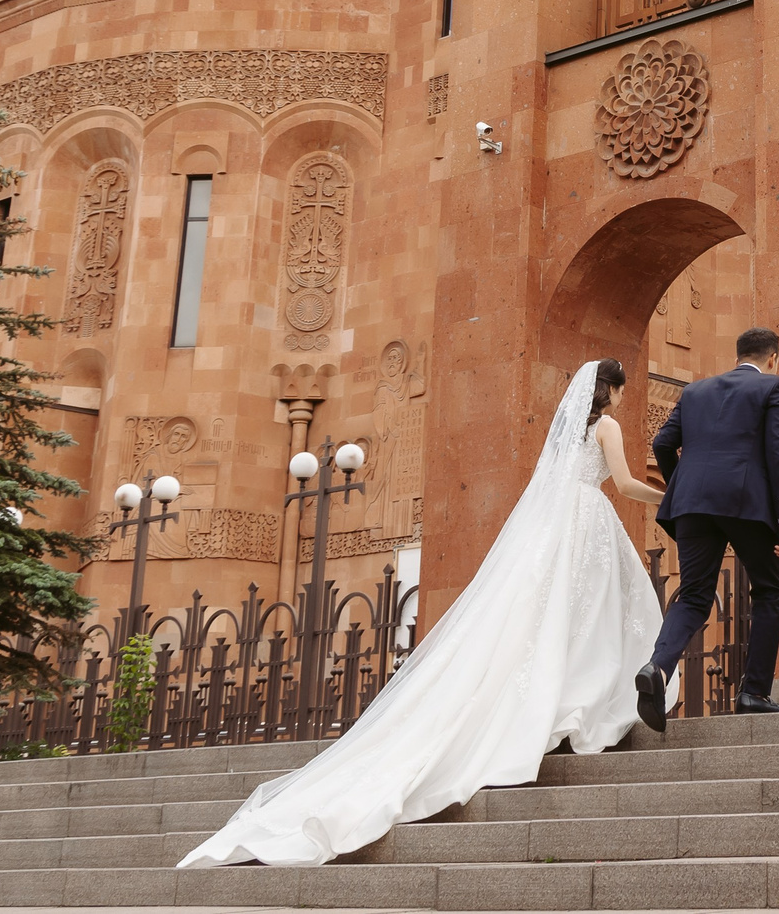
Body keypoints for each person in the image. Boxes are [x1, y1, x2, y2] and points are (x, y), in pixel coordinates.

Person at [179, 358, 661, 867]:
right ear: (612, 390)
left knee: (553, 614)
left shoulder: (567, 430)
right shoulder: (608, 427)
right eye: (621, 390)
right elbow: (626, 483)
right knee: (586, 613)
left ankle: (562, 699)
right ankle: (576, 700)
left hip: (555, 526)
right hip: (587, 521)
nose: (622, 398)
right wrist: (668, 497)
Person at [639, 327, 779, 726]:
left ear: (737, 356)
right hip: (746, 504)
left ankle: (657, 668)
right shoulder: (774, 386)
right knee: (770, 590)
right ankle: (753, 692)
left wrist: (683, 488)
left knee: (694, 596)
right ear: (772, 359)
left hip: (692, 506)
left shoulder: (695, 392)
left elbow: (662, 444)